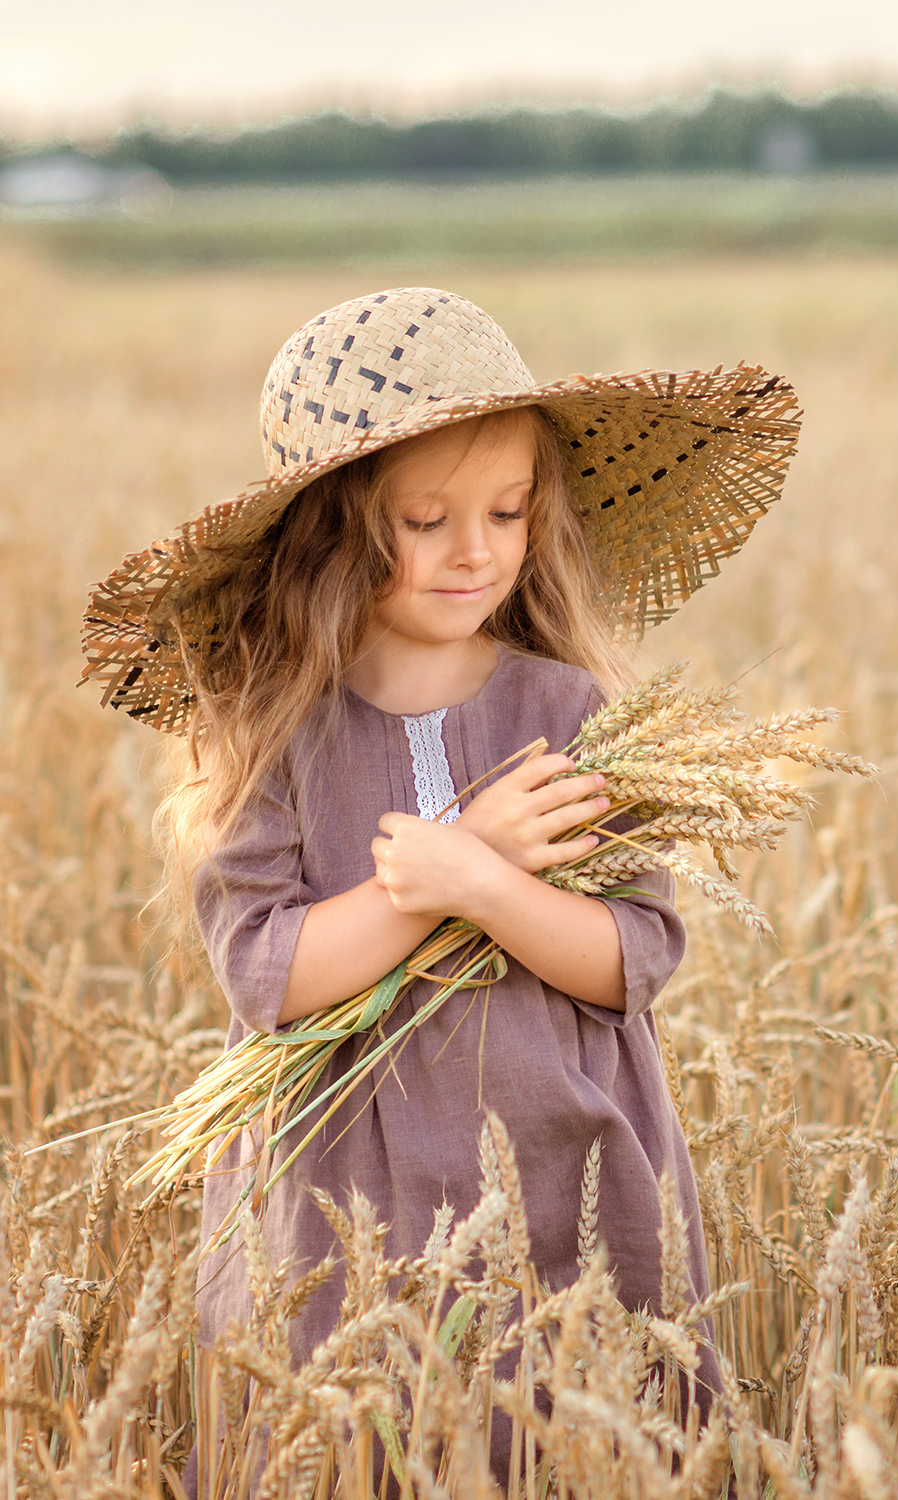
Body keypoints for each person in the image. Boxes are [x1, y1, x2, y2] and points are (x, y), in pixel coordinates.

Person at [81, 286, 800, 1480]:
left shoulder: (568, 714)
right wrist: (432, 879)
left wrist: (480, 872)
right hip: (340, 1201)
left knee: (569, 1433)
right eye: (427, 519)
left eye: (508, 511)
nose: (477, 550)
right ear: (330, 535)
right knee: (353, 1439)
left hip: (564, 1172)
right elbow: (273, 975)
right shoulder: (278, 741)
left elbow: (630, 961)